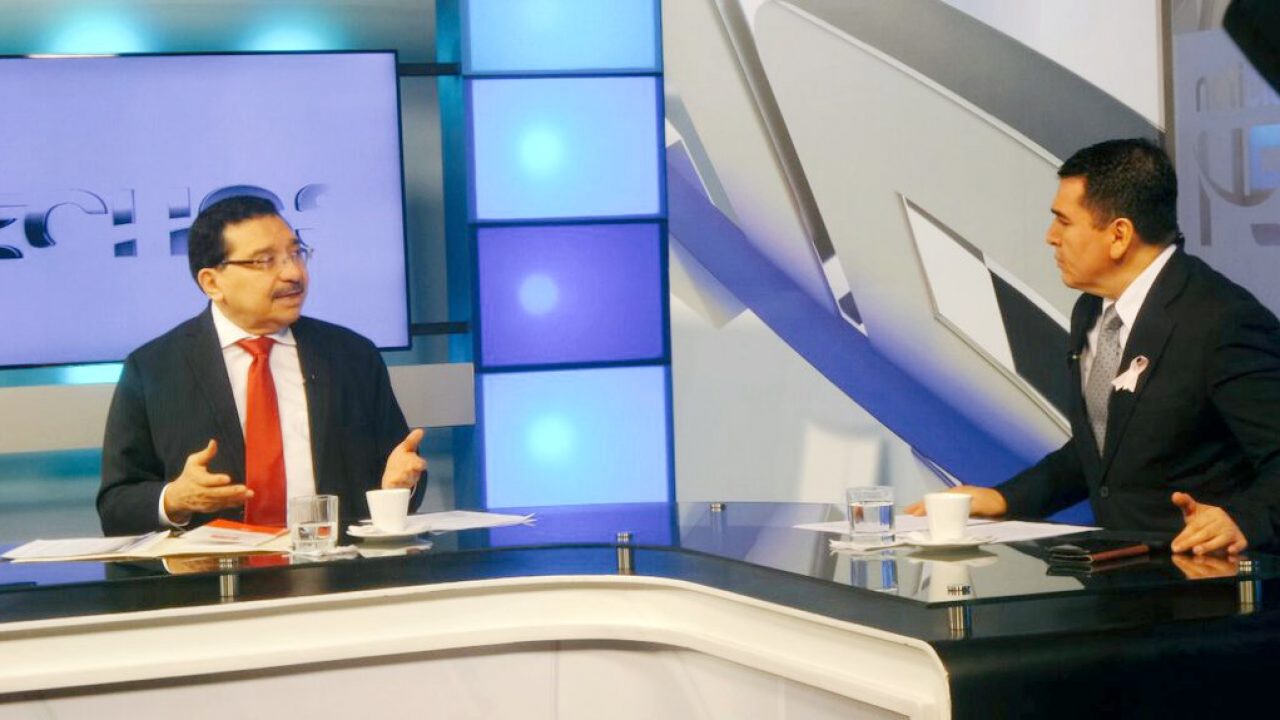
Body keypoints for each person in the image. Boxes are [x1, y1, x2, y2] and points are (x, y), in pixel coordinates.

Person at [907, 139, 1280, 556]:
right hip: (1118, 574)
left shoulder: (1222, 320)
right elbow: (1102, 452)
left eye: (1063, 222)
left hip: (1206, 581)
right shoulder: (1091, 310)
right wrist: (1005, 499)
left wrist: (1244, 520)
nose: (1051, 237)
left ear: (1119, 235)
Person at [98, 196, 426, 535]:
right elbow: (116, 505)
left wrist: (399, 486)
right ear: (212, 282)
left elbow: (401, 468)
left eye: (296, 253)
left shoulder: (351, 356)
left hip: (332, 561)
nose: (293, 273)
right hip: (209, 567)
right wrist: (174, 499)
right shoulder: (154, 368)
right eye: (265, 261)